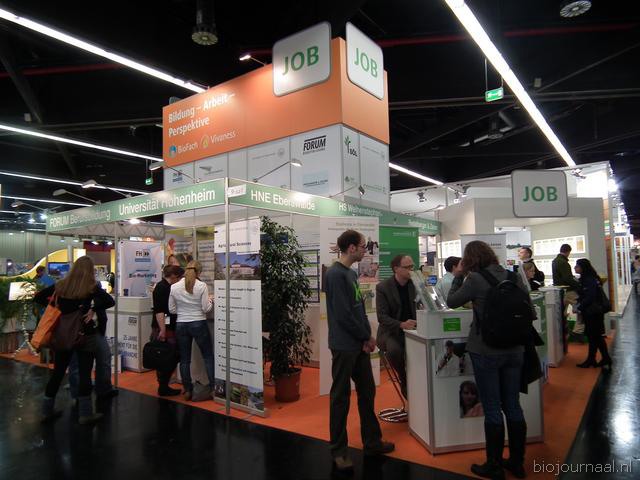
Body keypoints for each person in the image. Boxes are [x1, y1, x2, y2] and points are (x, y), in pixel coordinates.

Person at [447, 241, 533, 480]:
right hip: (515, 349)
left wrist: (459, 275)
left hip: (486, 350)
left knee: (493, 407)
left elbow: (452, 301)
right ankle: (516, 462)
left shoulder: (475, 279)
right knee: (513, 405)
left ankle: (494, 466)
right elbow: (528, 308)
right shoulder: (513, 276)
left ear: (469, 259)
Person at [325, 229, 394, 472]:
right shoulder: (335, 274)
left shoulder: (351, 273)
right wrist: (365, 336)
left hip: (358, 344)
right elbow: (343, 315)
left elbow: (358, 308)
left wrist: (367, 337)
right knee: (340, 398)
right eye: (363, 246)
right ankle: (339, 452)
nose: (366, 249)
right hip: (344, 346)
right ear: (352, 248)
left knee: (367, 392)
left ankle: (372, 442)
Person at [34, 256, 114, 425]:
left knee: (58, 373)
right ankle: (85, 414)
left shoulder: (61, 285)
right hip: (85, 334)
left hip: (62, 335)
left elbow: (39, 297)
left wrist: (58, 308)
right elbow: (110, 301)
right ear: (90, 270)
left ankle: (46, 411)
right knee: (85, 374)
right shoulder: (91, 287)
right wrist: (92, 308)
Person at [169, 260, 214, 401]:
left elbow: (171, 309)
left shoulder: (174, 287)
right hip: (198, 323)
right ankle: (214, 388)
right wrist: (211, 301)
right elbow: (206, 308)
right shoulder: (201, 286)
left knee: (184, 360)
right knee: (208, 356)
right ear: (199, 272)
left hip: (181, 324)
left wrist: (184, 311)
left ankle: (187, 390)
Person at [375, 254, 417, 398]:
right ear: (396, 269)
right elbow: (382, 317)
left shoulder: (415, 285)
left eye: (412, 266)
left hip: (414, 330)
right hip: (391, 332)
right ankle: (403, 378)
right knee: (395, 351)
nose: (411, 270)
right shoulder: (383, 287)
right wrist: (401, 324)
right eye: (407, 267)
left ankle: (419, 383)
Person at [152, 265, 184, 396]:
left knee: (168, 355)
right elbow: (159, 310)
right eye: (179, 277)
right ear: (173, 276)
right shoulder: (162, 288)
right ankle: (163, 386)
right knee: (167, 356)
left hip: (167, 327)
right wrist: (163, 330)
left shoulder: (165, 287)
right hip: (165, 328)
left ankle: (163, 385)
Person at [574, 259, 612, 369]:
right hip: (594, 311)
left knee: (595, 336)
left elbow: (590, 297)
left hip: (592, 312)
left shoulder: (588, 279)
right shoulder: (591, 278)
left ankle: (598, 359)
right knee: (595, 336)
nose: (575, 268)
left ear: (583, 267)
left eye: (577, 266)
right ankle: (598, 359)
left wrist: (579, 307)